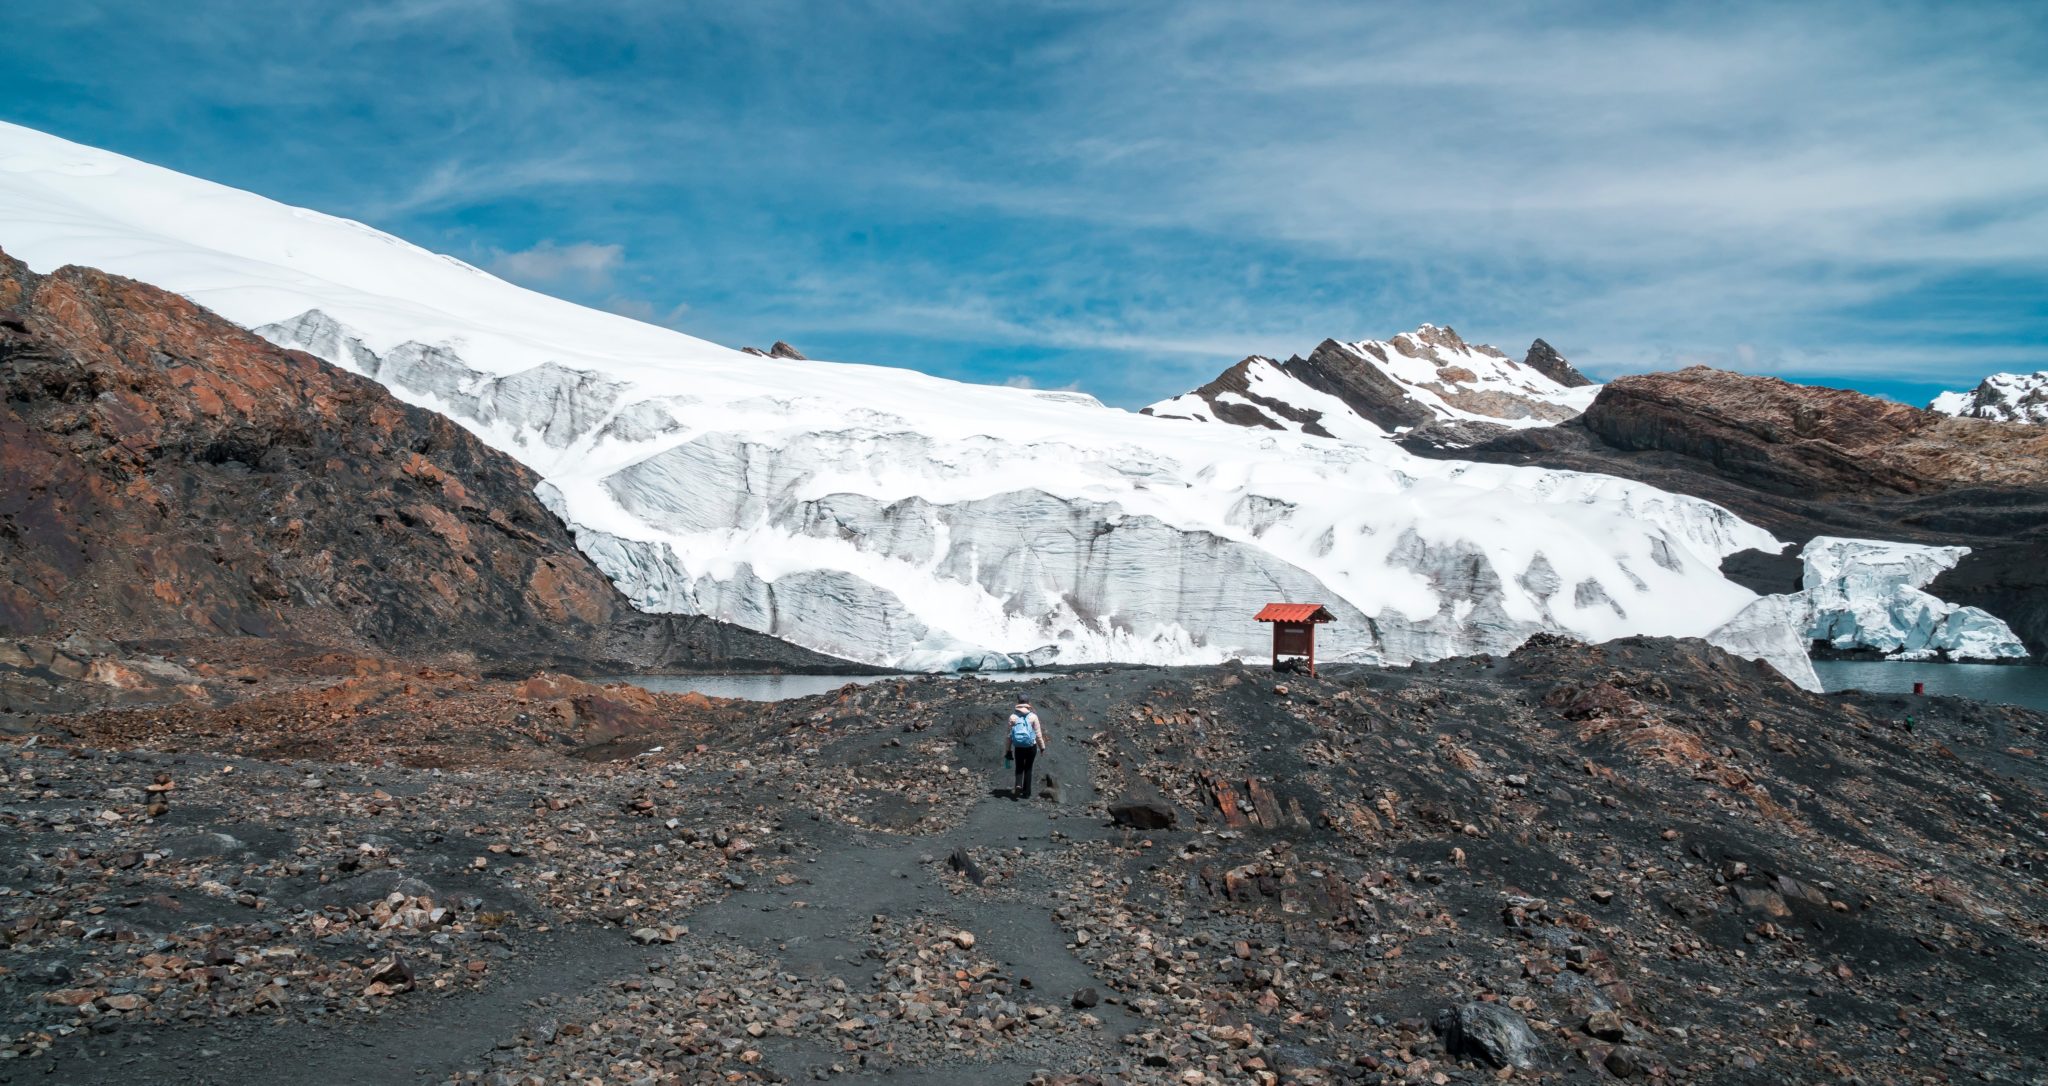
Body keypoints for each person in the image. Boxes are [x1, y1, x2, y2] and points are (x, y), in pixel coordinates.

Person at [1004, 698, 1046, 799]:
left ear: (1018, 702)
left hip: (1018, 747)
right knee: (1028, 768)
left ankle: (1018, 784)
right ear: (1028, 703)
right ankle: (1026, 793)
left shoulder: (1013, 717)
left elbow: (1009, 736)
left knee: (1019, 766)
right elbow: (1038, 735)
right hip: (1031, 746)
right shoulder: (1033, 716)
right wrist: (1042, 747)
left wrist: (1008, 750)